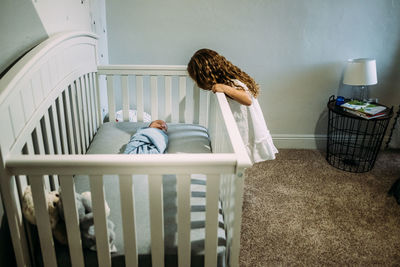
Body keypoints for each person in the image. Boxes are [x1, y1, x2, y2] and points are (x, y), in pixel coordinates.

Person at [187, 48, 278, 163]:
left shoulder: (232, 82)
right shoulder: (228, 79)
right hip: (240, 124)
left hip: (246, 126)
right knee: (240, 157)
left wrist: (224, 88)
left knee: (242, 156)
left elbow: (247, 100)